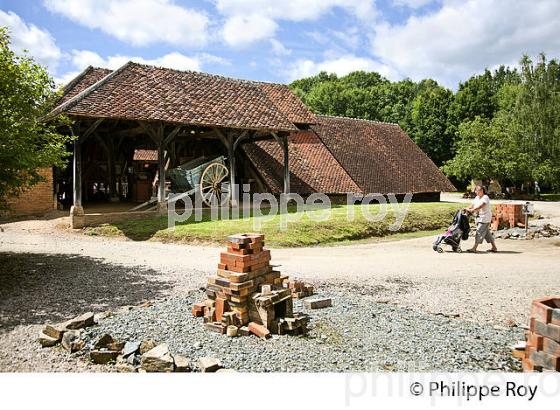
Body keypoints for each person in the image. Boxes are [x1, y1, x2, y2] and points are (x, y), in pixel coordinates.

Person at [464, 185, 498, 253]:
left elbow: (481, 205)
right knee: (487, 234)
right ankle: (494, 247)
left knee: (479, 231)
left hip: (485, 218)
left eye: (477, 191)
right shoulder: (477, 197)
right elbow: (472, 205)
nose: (476, 192)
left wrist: (473, 210)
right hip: (480, 217)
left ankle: (474, 248)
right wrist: (467, 208)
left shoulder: (485, 197)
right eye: (475, 191)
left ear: (482, 191)